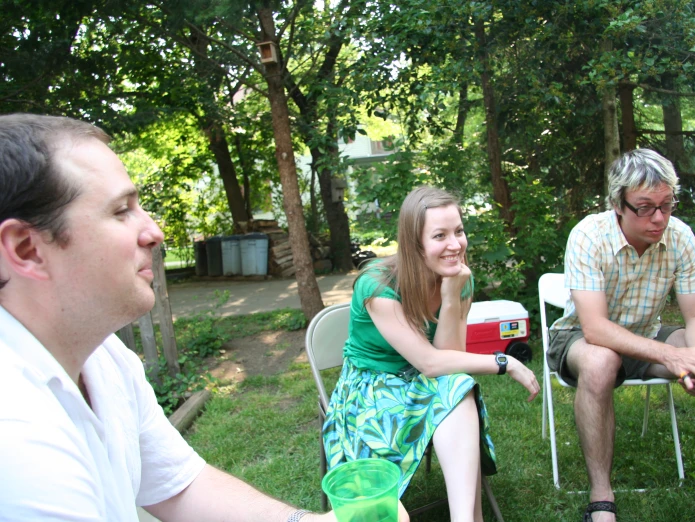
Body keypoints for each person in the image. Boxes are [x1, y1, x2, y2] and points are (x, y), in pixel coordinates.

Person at [0, 113, 409, 522]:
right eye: (122, 211)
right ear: (27, 250)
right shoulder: (16, 438)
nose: (154, 231)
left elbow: (180, 486)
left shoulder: (103, 355)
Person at [547, 148, 695, 522]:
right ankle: (600, 497)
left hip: (647, 335)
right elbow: (595, 327)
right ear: (617, 204)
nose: (658, 218)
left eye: (666, 204)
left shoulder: (680, 237)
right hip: (580, 339)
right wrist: (673, 357)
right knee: (601, 359)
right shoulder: (589, 236)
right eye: (644, 207)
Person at [322, 186, 540, 521]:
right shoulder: (377, 286)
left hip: (424, 380)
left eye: (459, 231)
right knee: (455, 388)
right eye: (440, 235)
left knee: (456, 387)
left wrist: (453, 295)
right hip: (370, 390)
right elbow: (430, 362)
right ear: (414, 244)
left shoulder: (457, 278)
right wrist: (504, 361)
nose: (455, 245)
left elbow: (447, 359)